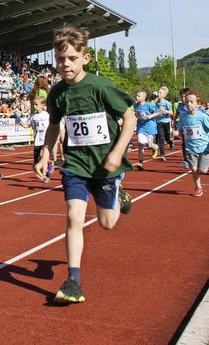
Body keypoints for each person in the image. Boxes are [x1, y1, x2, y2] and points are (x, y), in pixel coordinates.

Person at [34, 25, 135, 304]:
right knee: (73, 217)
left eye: (72, 59)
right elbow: (54, 126)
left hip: (104, 166)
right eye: (60, 59)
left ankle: (119, 194)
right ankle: (73, 281)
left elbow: (130, 118)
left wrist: (116, 153)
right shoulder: (56, 93)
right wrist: (45, 153)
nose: (65, 64)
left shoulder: (101, 87)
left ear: (85, 58)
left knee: (106, 223)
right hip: (75, 165)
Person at [176, 90, 209, 196]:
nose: (188, 104)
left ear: (198, 104)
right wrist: (176, 133)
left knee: (202, 170)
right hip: (190, 147)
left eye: (191, 102)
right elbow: (180, 129)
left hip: (203, 147)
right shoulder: (184, 116)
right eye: (187, 102)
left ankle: (207, 165)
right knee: (194, 169)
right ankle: (198, 187)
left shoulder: (202, 116)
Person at [20, 96, 51, 175]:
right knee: (37, 158)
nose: (34, 106)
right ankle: (48, 163)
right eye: (33, 104)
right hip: (37, 139)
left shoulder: (46, 115)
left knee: (42, 155)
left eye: (36, 104)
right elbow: (28, 125)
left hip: (45, 139)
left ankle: (45, 172)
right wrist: (23, 124)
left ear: (42, 105)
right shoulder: (33, 116)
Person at [133, 89, 160, 170]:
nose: (136, 97)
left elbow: (157, 112)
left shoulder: (149, 105)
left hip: (150, 127)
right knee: (141, 143)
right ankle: (140, 162)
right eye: (136, 96)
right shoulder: (135, 105)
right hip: (141, 127)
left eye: (138, 96)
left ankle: (154, 147)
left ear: (144, 97)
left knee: (149, 145)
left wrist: (150, 116)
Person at [154, 86, 174, 160]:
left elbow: (171, 113)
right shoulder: (157, 103)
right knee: (161, 138)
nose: (158, 94)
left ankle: (171, 143)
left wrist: (164, 111)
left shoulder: (167, 103)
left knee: (167, 138)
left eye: (160, 93)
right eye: (158, 92)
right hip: (159, 122)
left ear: (164, 95)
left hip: (166, 122)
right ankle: (162, 154)